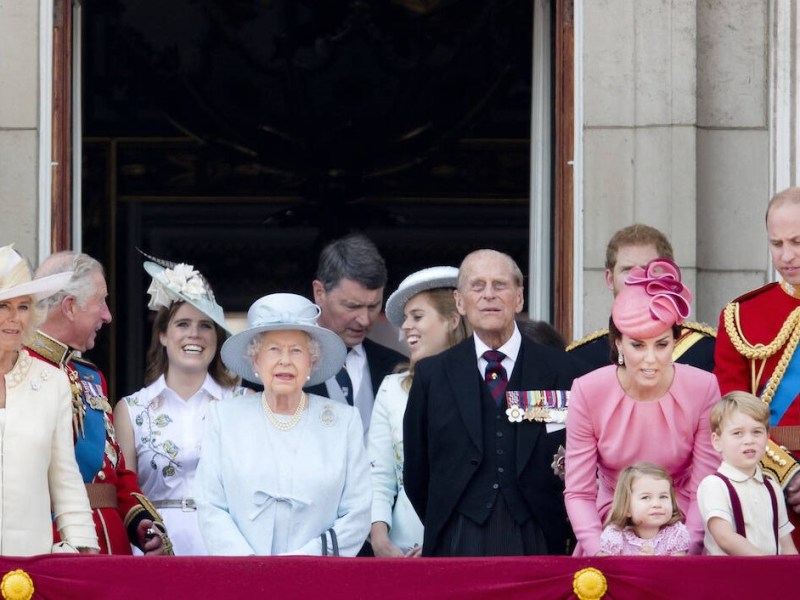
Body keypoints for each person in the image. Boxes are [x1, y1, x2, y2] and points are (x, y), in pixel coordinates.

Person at [403, 249, 588, 556]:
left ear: (519, 298)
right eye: (477, 286)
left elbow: (583, 457)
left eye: (499, 285)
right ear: (460, 302)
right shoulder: (431, 376)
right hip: (456, 537)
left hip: (540, 536)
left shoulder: (564, 370)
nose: (489, 294)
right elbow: (416, 472)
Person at [565, 257, 720, 556]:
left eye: (661, 345)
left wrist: (685, 548)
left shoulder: (703, 388)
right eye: (637, 345)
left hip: (685, 526)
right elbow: (579, 493)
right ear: (618, 343)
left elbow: (705, 487)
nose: (651, 359)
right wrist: (600, 551)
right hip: (609, 529)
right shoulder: (588, 391)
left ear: (675, 341)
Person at [196, 293, 371, 555]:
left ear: (312, 361)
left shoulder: (344, 422)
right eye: (274, 349)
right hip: (243, 573)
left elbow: (357, 513)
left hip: (317, 571)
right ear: (256, 360)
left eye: (297, 350)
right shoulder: (224, 418)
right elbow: (210, 505)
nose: (285, 360)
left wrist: (303, 561)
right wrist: (249, 564)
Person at [26, 251, 168, 555]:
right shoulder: (19, 371)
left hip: (111, 546)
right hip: (56, 544)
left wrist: (140, 522)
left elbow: (114, 468)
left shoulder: (90, 376)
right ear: (70, 307)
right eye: (100, 302)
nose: (107, 316)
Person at [114, 256, 249, 555]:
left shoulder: (242, 402)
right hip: (156, 549)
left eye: (205, 326)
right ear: (163, 334)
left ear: (216, 337)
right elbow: (125, 496)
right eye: (183, 324)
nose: (194, 334)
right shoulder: (131, 409)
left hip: (227, 546)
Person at [0, 245, 98, 555]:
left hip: (30, 565)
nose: (14, 318)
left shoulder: (52, 382)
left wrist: (83, 548)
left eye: (23, 306)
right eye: (3, 306)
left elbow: (65, 478)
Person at [368, 266, 470, 557]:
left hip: (464, 549)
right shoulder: (392, 388)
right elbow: (379, 475)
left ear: (452, 320)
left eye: (417, 316)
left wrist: (443, 542)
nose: (406, 327)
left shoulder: (482, 387)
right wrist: (380, 540)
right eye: (405, 319)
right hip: (401, 552)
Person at [714, 187, 800, 521]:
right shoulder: (742, 316)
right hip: (765, 485)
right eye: (777, 244)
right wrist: (786, 474)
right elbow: (731, 414)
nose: (787, 256)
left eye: (797, 242)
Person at [567, 224, 716, 371]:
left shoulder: (707, 352)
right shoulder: (582, 358)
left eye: (646, 269)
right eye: (627, 270)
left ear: (668, 276)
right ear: (610, 279)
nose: (636, 278)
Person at [306, 233, 405, 438]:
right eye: (352, 306)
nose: (365, 320)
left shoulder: (399, 368)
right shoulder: (277, 367)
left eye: (373, 306)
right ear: (319, 293)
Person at [697, 391, 797, 555]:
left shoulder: (772, 487)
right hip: (732, 571)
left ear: (767, 438)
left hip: (772, 571)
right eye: (737, 433)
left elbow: (786, 544)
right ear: (717, 441)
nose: (749, 440)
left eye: (757, 432)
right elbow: (725, 537)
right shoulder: (714, 485)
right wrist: (767, 566)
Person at [599, 462, 689, 556]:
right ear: (627, 508)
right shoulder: (615, 536)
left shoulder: (675, 535)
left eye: (663, 497)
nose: (657, 504)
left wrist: (653, 561)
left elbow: (678, 565)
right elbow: (604, 564)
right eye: (645, 497)